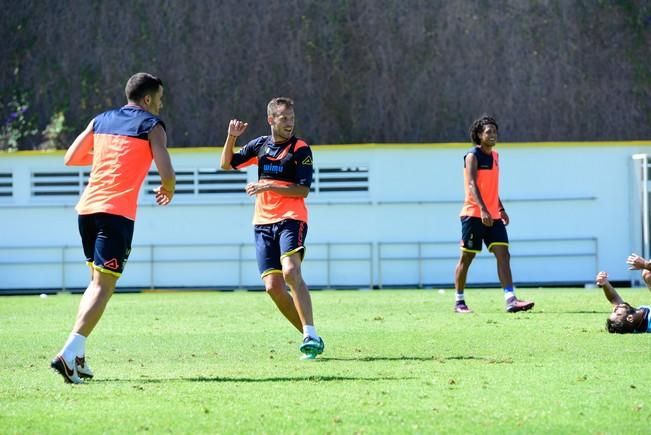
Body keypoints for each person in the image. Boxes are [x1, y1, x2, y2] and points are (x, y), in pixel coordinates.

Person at [51, 73, 176, 383]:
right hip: (115, 215)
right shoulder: (152, 125)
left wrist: (110, 156)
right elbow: (166, 169)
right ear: (147, 99)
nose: (161, 104)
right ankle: (68, 353)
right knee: (103, 287)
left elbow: (71, 158)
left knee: (95, 282)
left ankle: (78, 358)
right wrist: (168, 188)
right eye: (159, 98)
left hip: (87, 211)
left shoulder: (101, 119)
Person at [219, 97, 324, 359]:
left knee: (290, 270)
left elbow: (302, 190)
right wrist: (231, 137)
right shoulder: (260, 146)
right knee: (273, 287)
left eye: (292, 118)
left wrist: (267, 185)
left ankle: (310, 333)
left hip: (291, 217)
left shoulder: (300, 149)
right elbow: (226, 163)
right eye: (284, 118)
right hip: (262, 223)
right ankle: (311, 336)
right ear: (271, 120)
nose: (290, 123)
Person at [453, 115, 534, 314]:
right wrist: (482, 209)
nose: (492, 135)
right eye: (488, 132)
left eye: (495, 132)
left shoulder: (496, 156)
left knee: (503, 254)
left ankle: (511, 299)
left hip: (493, 216)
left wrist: (500, 208)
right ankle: (459, 302)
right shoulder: (472, 156)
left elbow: (491, 188)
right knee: (467, 258)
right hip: (473, 214)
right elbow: (472, 184)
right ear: (479, 135)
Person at [596, 252, 651, 333]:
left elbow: (613, 298)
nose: (615, 308)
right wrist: (646, 265)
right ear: (630, 318)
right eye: (617, 313)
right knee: (647, 274)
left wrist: (604, 284)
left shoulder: (639, 320)